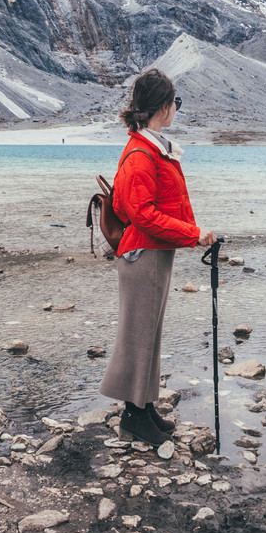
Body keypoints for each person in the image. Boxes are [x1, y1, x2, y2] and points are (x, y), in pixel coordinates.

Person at [99, 68, 217, 446]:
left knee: (148, 331)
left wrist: (189, 234)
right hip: (142, 253)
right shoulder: (140, 154)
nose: (176, 110)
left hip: (153, 252)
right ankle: (134, 417)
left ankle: (145, 407)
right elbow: (142, 214)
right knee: (139, 335)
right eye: (175, 103)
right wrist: (194, 234)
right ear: (163, 107)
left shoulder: (151, 147)